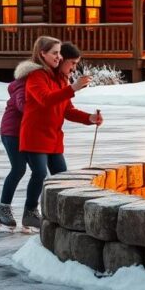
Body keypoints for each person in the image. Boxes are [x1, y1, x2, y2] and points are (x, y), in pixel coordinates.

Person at [19, 38, 101, 232]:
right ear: (43, 55)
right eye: (71, 63)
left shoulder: (61, 80)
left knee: (62, 176)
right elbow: (46, 100)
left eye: (60, 54)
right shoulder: (36, 76)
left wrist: (89, 118)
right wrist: (72, 89)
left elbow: (67, 110)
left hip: (53, 137)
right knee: (39, 173)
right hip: (35, 134)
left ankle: (59, 213)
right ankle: (30, 212)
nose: (73, 67)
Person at [0, 56, 39, 231]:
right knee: (18, 168)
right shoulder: (23, 85)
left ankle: (30, 212)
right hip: (11, 132)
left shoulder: (32, 83)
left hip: (26, 133)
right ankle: (3, 209)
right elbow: (22, 104)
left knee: (38, 170)